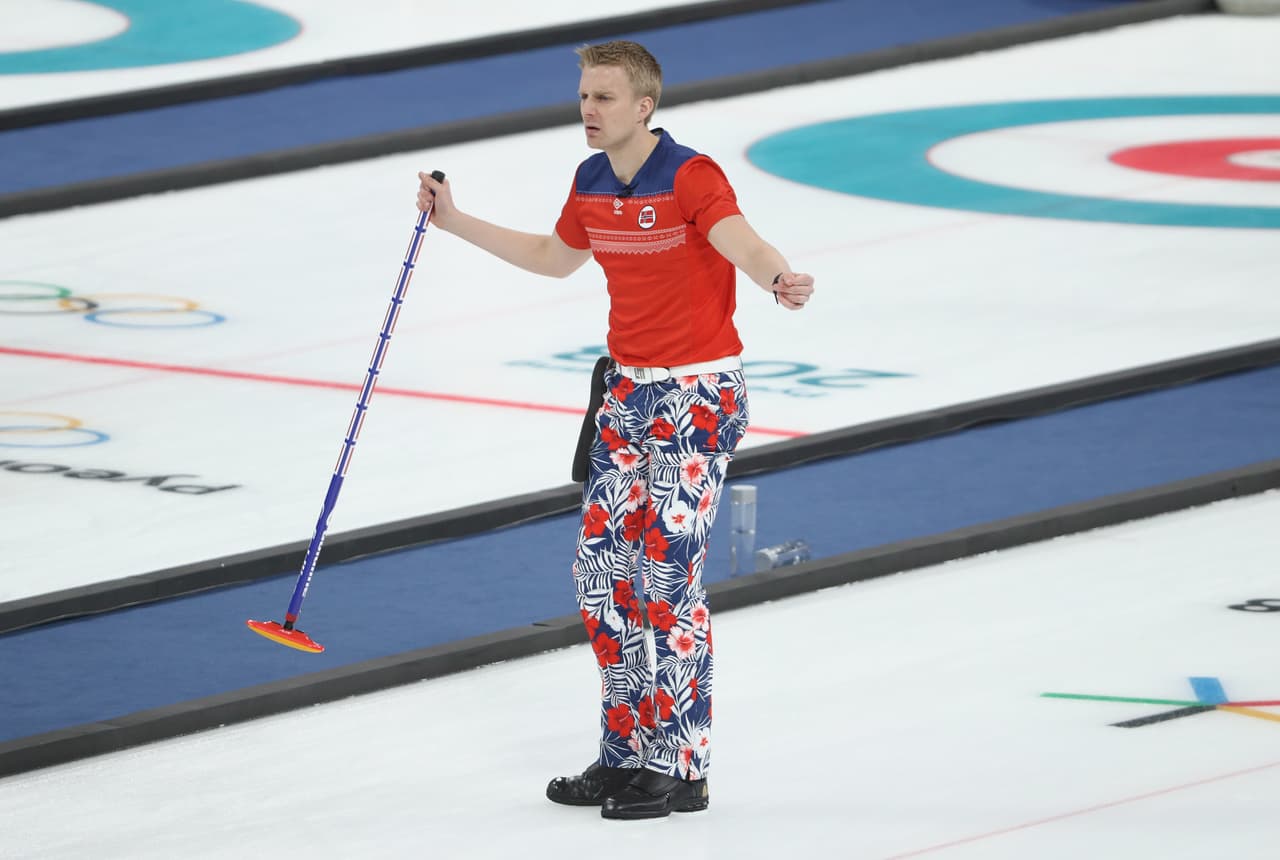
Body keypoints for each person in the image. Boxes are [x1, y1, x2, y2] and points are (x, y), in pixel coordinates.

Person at [416, 39, 814, 821]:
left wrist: (775, 277)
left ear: (644, 106)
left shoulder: (689, 175)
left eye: (603, 98)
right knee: (602, 577)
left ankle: (682, 764)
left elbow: (739, 238)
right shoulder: (591, 181)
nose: (588, 112)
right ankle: (626, 752)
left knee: (667, 581)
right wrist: (454, 221)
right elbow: (553, 256)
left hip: (695, 398)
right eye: (583, 98)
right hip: (627, 398)